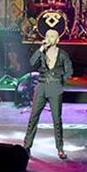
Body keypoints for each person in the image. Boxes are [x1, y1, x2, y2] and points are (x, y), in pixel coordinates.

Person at [24, 29, 72, 160]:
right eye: (47, 36)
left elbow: (69, 70)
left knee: (56, 119)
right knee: (33, 117)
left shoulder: (63, 55)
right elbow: (32, 63)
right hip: (41, 86)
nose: (49, 38)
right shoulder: (41, 53)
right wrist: (40, 49)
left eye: (52, 36)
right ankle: (26, 146)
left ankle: (60, 148)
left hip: (55, 87)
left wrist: (61, 82)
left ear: (57, 40)